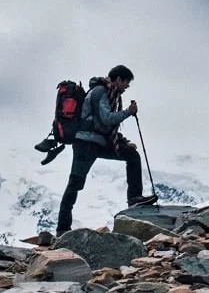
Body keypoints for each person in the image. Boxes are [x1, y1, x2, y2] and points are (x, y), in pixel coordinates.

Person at [56, 64, 157, 236]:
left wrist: (122, 141)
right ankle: (62, 228)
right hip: (86, 143)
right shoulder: (100, 92)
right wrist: (128, 112)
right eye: (126, 83)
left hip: (98, 142)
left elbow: (105, 124)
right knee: (75, 182)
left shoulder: (110, 94)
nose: (127, 87)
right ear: (118, 79)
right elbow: (107, 118)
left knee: (132, 155)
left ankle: (134, 198)